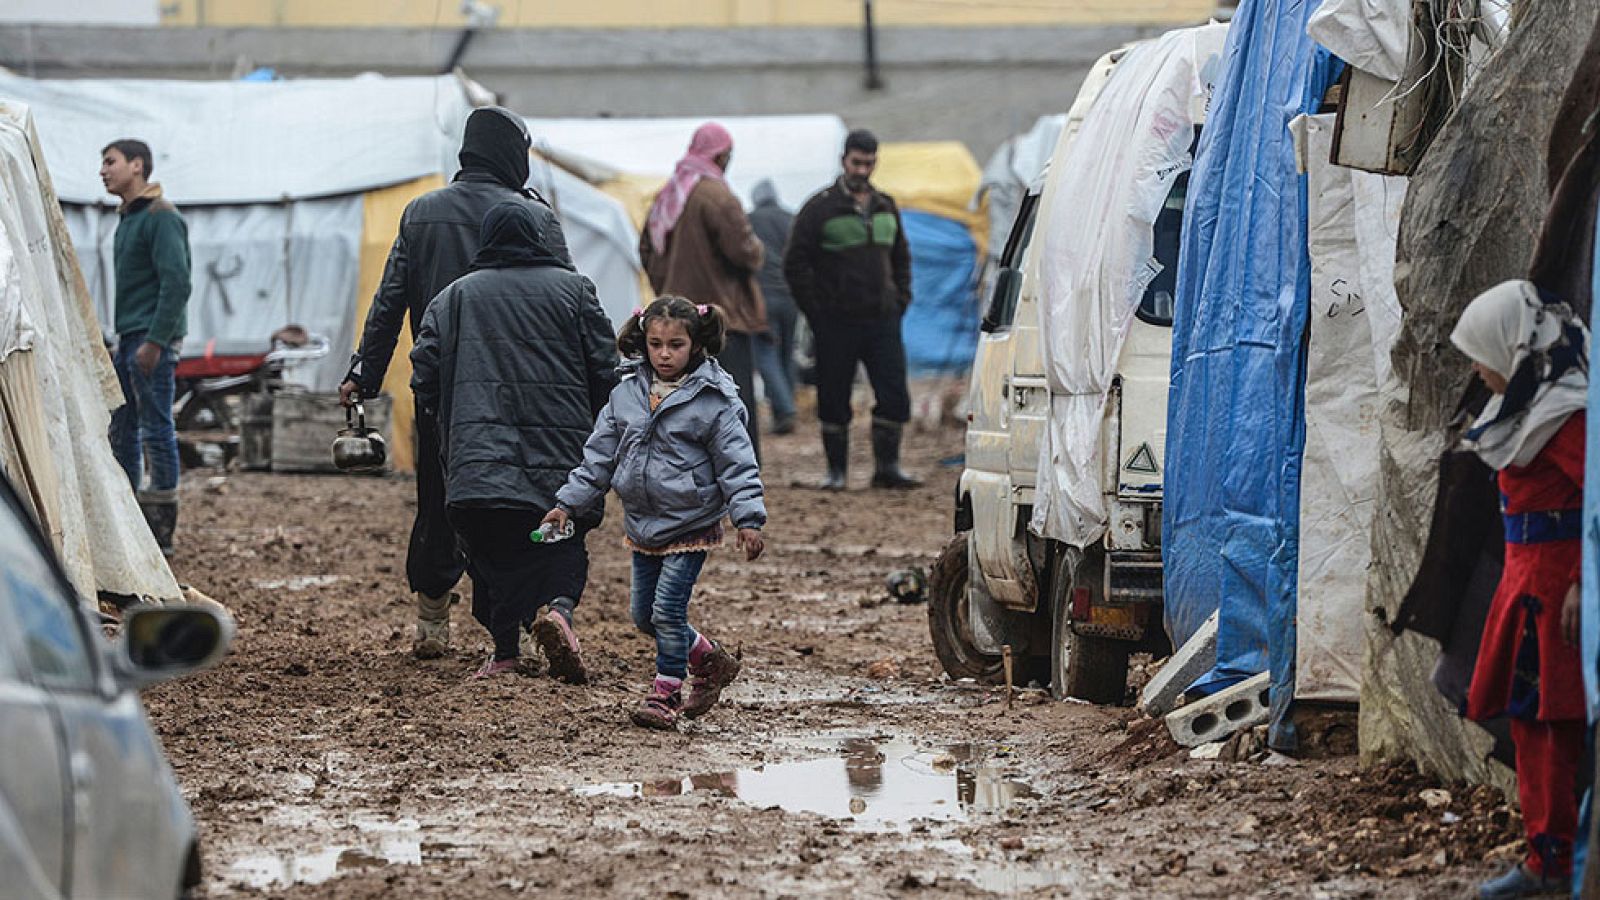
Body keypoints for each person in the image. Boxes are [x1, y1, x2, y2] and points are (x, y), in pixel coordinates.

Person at [340, 107, 573, 660]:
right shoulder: (533, 215)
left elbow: (389, 301)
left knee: (440, 500)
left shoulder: (421, 214)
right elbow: (567, 296)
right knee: (519, 499)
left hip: (440, 388)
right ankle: (519, 619)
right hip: (523, 388)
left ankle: (432, 621)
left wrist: (364, 373)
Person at [409, 200, 617, 681]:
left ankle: (505, 651)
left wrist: (448, 419)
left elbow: (424, 373)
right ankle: (560, 612)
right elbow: (606, 368)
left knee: (493, 552)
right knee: (563, 540)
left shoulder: (453, 297)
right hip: (560, 457)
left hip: (478, 461)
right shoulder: (575, 291)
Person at [543, 296, 765, 730]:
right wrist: (566, 504)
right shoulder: (626, 393)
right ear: (642, 341)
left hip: (691, 523)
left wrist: (748, 518)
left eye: (676, 345)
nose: (664, 354)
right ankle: (707, 658)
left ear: (696, 344)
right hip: (643, 524)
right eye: (656, 344)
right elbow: (599, 458)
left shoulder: (713, 399)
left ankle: (664, 693)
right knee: (644, 616)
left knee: (666, 612)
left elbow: (737, 461)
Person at [1451, 280, 1590, 899]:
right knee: (1537, 726)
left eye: (1482, 355)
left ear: (1512, 348)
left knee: (1550, 729)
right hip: (1527, 584)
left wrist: (1586, 585)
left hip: (1556, 596)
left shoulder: (1566, 416)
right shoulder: (1534, 405)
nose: (1479, 372)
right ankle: (1550, 858)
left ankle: (1553, 866)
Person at [784, 128, 919, 491]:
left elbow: (901, 257)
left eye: (869, 163)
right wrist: (817, 313)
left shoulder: (885, 205)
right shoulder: (819, 208)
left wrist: (900, 299)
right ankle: (836, 472)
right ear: (844, 160)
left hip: (882, 318)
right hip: (836, 321)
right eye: (857, 162)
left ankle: (887, 467)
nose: (863, 170)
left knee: (893, 394)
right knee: (833, 395)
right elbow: (795, 264)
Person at [637, 122, 767, 462]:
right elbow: (744, 252)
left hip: (675, 320)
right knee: (731, 395)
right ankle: (739, 463)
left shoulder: (669, 195)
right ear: (720, 155)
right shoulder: (718, 196)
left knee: (680, 394)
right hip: (720, 318)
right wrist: (758, 251)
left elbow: (647, 250)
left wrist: (667, 289)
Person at [100, 138, 191, 555]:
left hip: (150, 338)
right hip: (130, 338)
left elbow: (177, 284)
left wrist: (156, 341)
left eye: (110, 162)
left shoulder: (161, 216)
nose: (103, 171)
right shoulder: (129, 218)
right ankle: (129, 522)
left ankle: (160, 532)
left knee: (156, 429)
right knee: (123, 429)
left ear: (137, 166)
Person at [748, 179, 799, 435]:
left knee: (766, 355)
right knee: (786, 355)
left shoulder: (749, 221)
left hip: (761, 297)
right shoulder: (791, 218)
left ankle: (786, 408)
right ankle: (785, 413)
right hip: (791, 297)